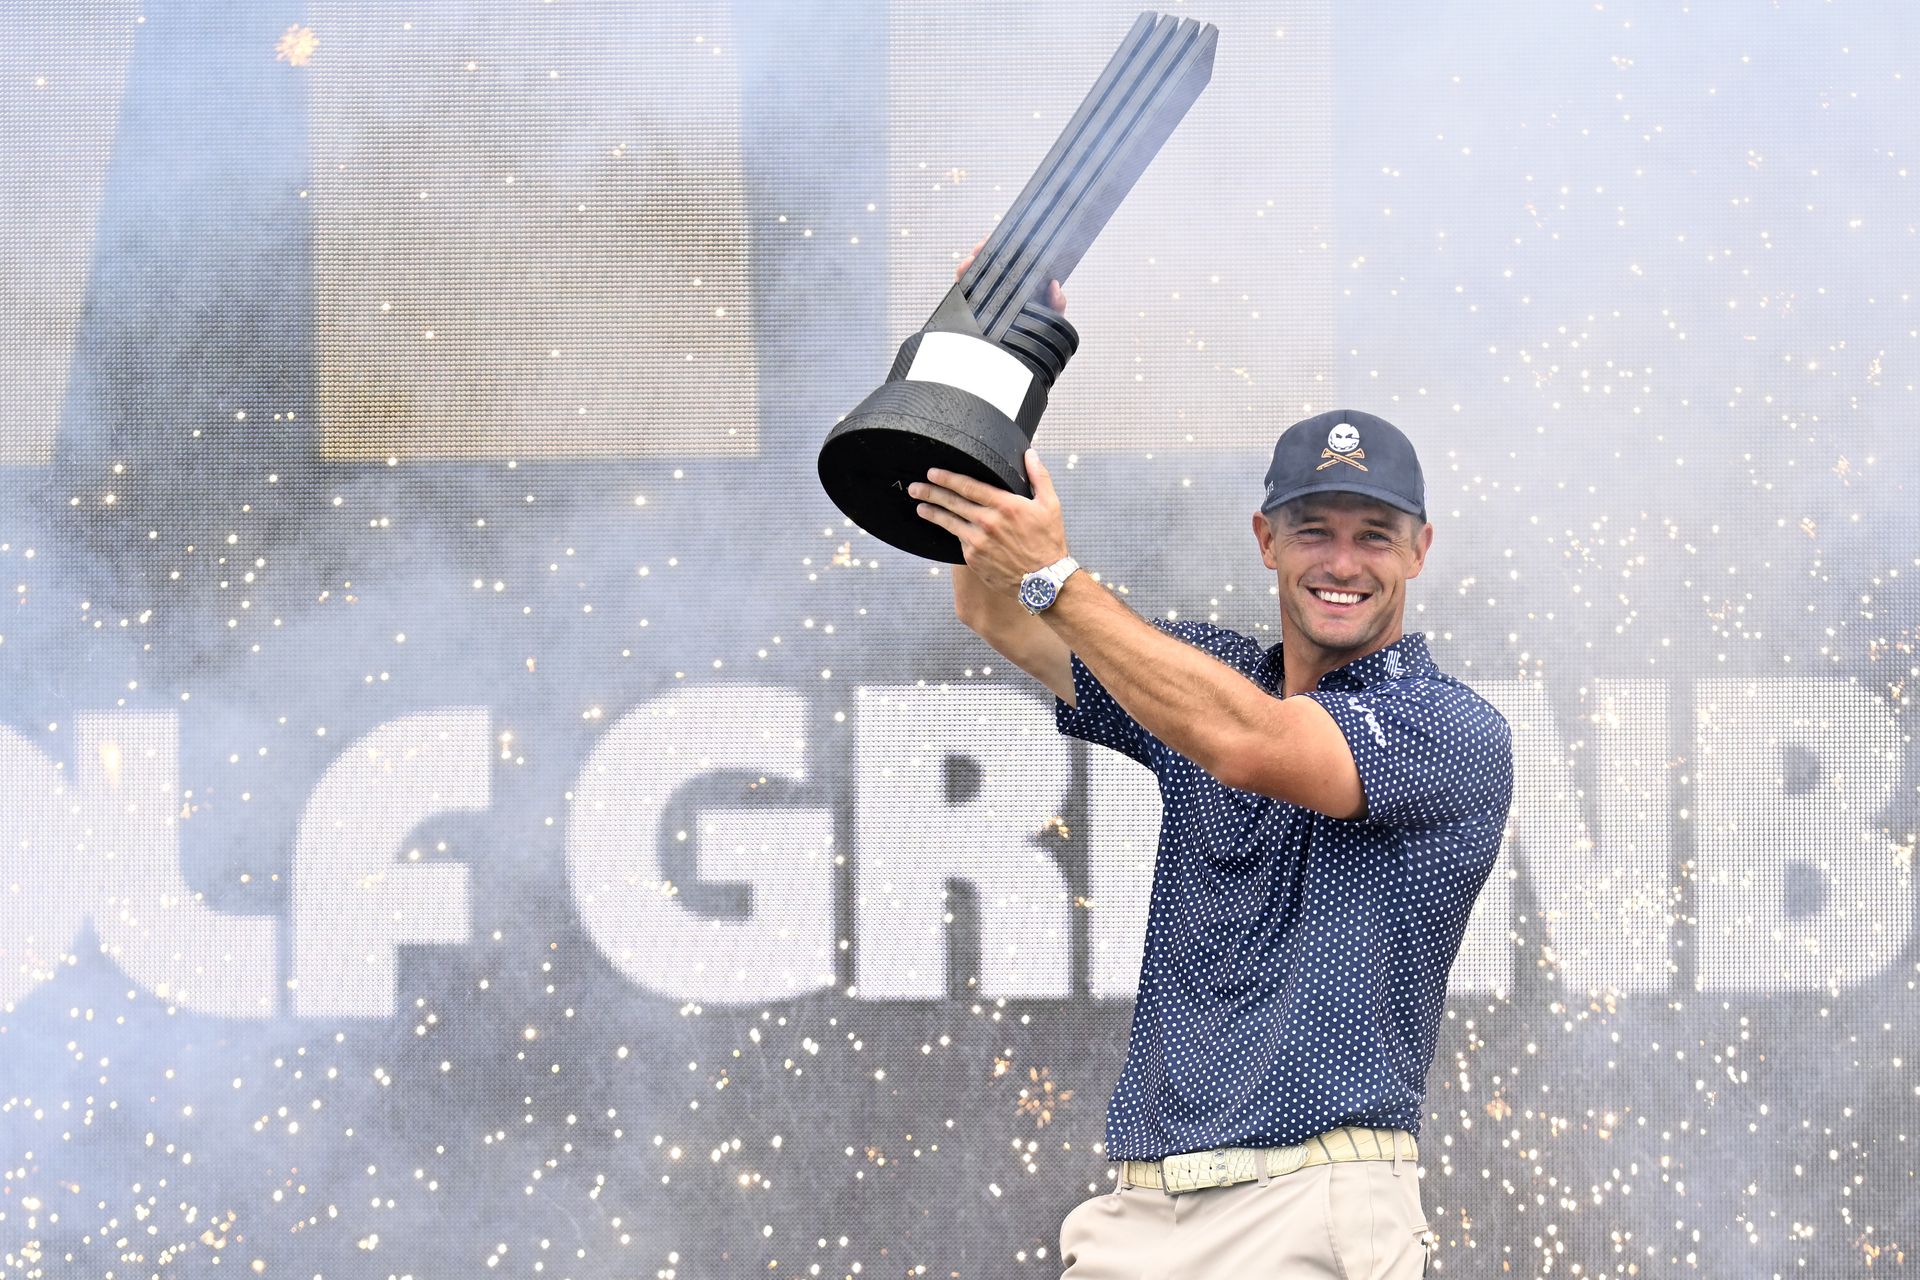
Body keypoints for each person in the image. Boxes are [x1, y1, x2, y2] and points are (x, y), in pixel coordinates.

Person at [907, 254, 1514, 1279]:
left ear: (1420, 551)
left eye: (1375, 536)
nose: (1342, 561)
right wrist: (997, 374)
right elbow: (993, 607)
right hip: (1141, 1210)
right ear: (1265, 539)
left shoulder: (1451, 727)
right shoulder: (1209, 675)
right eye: (1314, 529)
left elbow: (1255, 744)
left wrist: (1056, 572)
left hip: (1317, 1202)